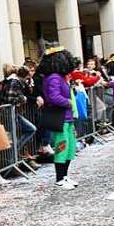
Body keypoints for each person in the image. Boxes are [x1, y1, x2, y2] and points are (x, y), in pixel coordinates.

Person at [36, 45, 80, 188]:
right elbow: (53, 97)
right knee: (62, 148)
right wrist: (67, 102)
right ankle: (60, 178)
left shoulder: (58, 77)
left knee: (69, 148)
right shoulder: (54, 78)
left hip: (66, 117)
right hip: (60, 117)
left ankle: (65, 176)